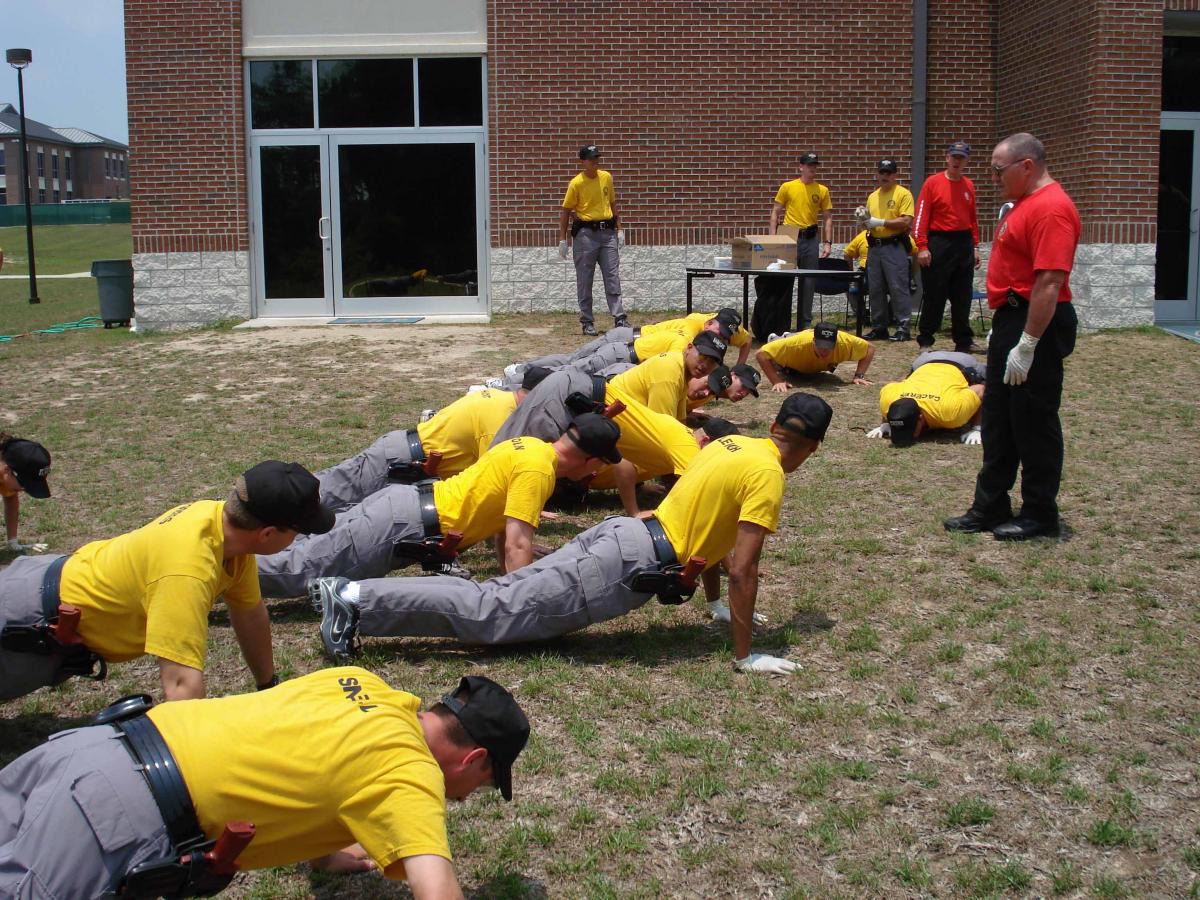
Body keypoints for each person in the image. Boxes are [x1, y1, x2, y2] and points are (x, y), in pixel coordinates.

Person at [309, 393, 832, 675]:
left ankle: (355, 599)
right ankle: (355, 601)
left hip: (622, 537)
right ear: (811, 448)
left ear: (776, 427)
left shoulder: (731, 446)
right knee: (492, 612)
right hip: (628, 564)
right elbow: (743, 567)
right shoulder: (767, 475)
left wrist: (715, 605)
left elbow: (713, 530)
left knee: (495, 601)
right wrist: (744, 655)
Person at [0, 668, 529, 899]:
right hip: (110, 818)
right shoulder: (410, 773)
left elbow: (298, 754)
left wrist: (325, 853)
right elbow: (437, 891)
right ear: (475, 758)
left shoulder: (359, 682)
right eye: (484, 783)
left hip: (90, 746)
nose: (465, 797)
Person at [0, 461, 333, 702]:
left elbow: (249, 614)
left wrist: (268, 688)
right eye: (298, 532)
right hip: (25, 623)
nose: (298, 539)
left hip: (42, 588)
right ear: (268, 534)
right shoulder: (187, 569)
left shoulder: (224, 530)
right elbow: (180, 686)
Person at [258, 415, 622, 597]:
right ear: (591, 461)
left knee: (303, 551)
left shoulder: (528, 446)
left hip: (404, 506)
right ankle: (229, 567)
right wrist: (518, 601)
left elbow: (502, 526)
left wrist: (504, 577)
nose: (596, 474)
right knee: (296, 570)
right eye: (600, 466)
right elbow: (518, 544)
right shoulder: (538, 471)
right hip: (402, 524)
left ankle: (237, 559)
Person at [944, 133, 1080, 541]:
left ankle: (1040, 513)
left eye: (998, 170)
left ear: (1027, 166)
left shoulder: (1052, 208)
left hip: (1035, 321)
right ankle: (990, 505)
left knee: (1033, 420)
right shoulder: (1024, 204)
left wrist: (1029, 343)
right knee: (999, 417)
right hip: (1012, 318)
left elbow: (1049, 282)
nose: (993, 178)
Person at [316, 367, 550, 511]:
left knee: (338, 497)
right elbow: (490, 480)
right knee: (326, 492)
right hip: (401, 460)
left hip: (405, 454)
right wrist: (521, 508)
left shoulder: (499, 398)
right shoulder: (499, 419)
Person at [505, 308, 751, 382]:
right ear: (709, 322)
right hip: (625, 339)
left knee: (576, 367)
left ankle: (523, 373)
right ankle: (522, 371)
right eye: (719, 332)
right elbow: (679, 365)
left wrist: (737, 367)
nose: (722, 339)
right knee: (573, 362)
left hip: (633, 349)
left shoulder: (729, 331)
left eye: (726, 337)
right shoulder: (689, 333)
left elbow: (747, 341)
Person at [914, 140, 983, 351]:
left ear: (966, 161)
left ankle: (964, 340)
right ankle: (926, 339)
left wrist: (975, 246)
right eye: (954, 157)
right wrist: (922, 246)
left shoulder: (969, 185)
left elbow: (972, 218)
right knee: (935, 293)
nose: (957, 161)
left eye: (961, 158)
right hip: (940, 242)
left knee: (962, 295)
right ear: (947, 158)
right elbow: (921, 216)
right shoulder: (932, 183)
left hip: (963, 243)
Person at [559, 144, 626, 336]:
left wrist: (619, 228)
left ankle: (619, 317)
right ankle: (587, 320)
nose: (595, 161)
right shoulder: (576, 183)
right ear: (583, 161)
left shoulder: (606, 177)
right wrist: (562, 239)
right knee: (585, 279)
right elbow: (566, 211)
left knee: (612, 275)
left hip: (607, 233)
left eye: (597, 158)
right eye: (591, 158)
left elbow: (612, 203)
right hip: (585, 236)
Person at [770, 151, 833, 330]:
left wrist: (827, 242)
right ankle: (781, 323)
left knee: (809, 281)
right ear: (801, 167)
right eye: (809, 165)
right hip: (789, 235)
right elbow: (775, 212)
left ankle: (804, 324)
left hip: (811, 237)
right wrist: (773, 240)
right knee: (784, 280)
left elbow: (828, 217)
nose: (812, 168)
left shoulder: (822, 190)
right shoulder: (788, 187)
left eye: (815, 165)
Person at [867, 352, 986, 446]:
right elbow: (891, 387)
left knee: (991, 379)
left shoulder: (950, 414)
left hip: (962, 362)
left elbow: (981, 389)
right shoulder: (888, 402)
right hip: (924, 361)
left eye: (910, 430)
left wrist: (977, 428)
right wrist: (886, 423)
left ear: (920, 418)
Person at [605, 331, 727, 420]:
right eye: (703, 356)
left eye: (712, 362)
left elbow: (680, 422)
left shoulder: (683, 372)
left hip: (617, 417)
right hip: (607, 416)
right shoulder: (670, 370)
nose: (705, 365)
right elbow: (662, 429)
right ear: (689, 348)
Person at [858, 158, 915, 342]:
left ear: (895, 175)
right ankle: (879, 327)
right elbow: (868, 224)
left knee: (898, 287)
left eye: (888, 173)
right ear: (877, 174)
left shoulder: (903, 194)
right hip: (874, 246)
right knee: (876, 289)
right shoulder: (872, 197)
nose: (885, 176)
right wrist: (863, 221)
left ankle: (903, 327)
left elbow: (906, 220)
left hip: (894, 246)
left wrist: (881, 222)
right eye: (882, 172)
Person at [755, 322, 875, 390]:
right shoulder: (797, 344)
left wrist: (859, 376)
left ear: (836, 343)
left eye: (829, 346)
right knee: (780, 363)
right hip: (794, 353)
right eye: (821, 345)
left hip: (811, 366)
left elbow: (870, 348)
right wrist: (776, 381)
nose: (824, 350)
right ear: (813, 341)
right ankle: (779, 338)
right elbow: (761, 354)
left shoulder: (844, 343)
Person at [0, 434, 51, 555]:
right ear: (7, 470)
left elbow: (10, 497)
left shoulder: (4, 470)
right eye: (24, 484)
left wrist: (12, 541)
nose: (23, 489)